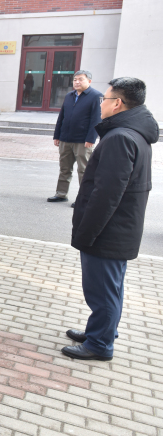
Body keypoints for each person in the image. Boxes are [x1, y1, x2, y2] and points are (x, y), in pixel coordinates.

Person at [63, 78, 157, 361]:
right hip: (118, 228)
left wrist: (87, 233)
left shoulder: (120, 138)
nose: (100, 103)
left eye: (104, 99)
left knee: (102, 291)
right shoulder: (132, 133)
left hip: (108, 231)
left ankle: (99, 344)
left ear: (117, 104)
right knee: (109, 289)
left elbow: (106, 194)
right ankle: (101, 332)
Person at [49, 70, 102, 207]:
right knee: (64, 168)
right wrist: (57, 135)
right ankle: (61, 194)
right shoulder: (69, 96)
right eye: (75, 79)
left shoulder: (96, 96)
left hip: (83, 141)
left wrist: (91, 138)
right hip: (65, 138)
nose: (77, 82)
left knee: (84, 170)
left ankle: (84, 199)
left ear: (89, 81)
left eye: (80, 79)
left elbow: (96, 119)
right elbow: (62, 116)